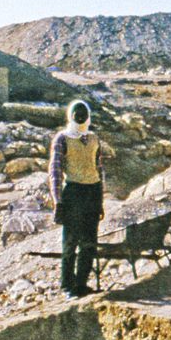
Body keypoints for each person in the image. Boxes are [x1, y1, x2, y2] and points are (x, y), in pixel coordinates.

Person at [49, 99, 105, 298]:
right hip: (73, 193)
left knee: (89, 243)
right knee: (70, 243)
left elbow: (99, 169)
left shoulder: (94, 138)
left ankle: (81, 284)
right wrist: (58, 201)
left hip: (92, 191)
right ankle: (67, 286)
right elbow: (55, 172)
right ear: (70, 115)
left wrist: (100, 200)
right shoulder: (62, 139)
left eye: (83, 113)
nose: (80, 117)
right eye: (77, 113)